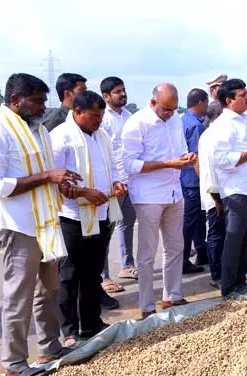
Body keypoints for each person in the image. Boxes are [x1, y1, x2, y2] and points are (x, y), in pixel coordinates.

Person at [0, 73, 77, 375]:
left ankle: (50, 347)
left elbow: (46, 172)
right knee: (18, 299)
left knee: (48, 290)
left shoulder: (38, 130)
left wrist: (60, 184)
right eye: (37, 101)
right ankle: (14, 364)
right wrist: (48, 178)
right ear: (15, 101)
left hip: (46, 223)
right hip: (19, 226)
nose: (43, 107)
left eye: (44, 101)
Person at [50, 90, 127, 346]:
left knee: (93, 273)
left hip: (102, 212)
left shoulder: (101, 136)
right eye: (95, 116)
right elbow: (56, 181)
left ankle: (91, 323)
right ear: (78, 112)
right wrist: (84, 193)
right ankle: (70, 330)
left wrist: (116, 183)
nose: (99, 121)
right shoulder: (61, 137)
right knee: (70, 275)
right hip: (71, 216)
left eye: (102, 115)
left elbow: (112, 167)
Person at [121, 83, 195, 319]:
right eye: (165, 109)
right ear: (152, 102)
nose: (169, 114)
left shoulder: (175, 120)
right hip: (148, 196)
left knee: (176, 247)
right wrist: (167, 164)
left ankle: (172, 295)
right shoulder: (136, 123)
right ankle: (147, 305)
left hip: (174, 191)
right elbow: (129, 164)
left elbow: (181, 149)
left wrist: (186, 158)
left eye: (173, 110)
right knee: (147, 253)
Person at [208, 78, 247, 299]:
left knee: (246, 240)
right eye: (242, 95)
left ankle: (240, 283)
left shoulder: (243, 121)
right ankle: (229, 288)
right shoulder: (223, 125)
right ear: (229, 100)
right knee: (234, 240)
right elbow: (221, 159)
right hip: (237, 191)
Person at [98, 76, 133, 310]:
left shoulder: (129, 116)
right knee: (105, 230)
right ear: (106, 96)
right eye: (117, 91)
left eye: (123, 90)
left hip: (129, 181)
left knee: (126, 224)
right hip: (111, 183)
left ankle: (127, 265)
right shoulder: (102, 120)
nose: (122, 94)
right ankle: (103, 276)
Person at [181, 88, 210, 274]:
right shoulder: (196, 125)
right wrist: (204, 180)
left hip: (185, 177)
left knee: (198, 218)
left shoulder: (182, 120)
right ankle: (183, 259)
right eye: (206, 102)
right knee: (191, 220)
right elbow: (196, 156)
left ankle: (201, 252)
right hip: (193, 178)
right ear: (200, 102)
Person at [198, 107, 226, 289]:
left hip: (222, 194)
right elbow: (209, 168)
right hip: (215, 196)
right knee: (216, 234)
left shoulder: (217, 133)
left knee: (222, 234)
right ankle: (216, 275)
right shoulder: (211, 135)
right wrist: (216, 198)